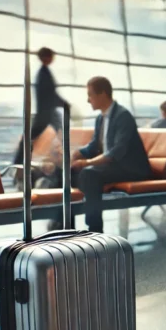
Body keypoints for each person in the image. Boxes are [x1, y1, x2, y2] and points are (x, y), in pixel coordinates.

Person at [70, 77, 151, 233]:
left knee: (89, 174)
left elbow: (117, 151)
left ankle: (94, 229)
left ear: (103, 94)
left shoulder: (123, 116)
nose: (88, 100)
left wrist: (86, 163)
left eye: (90, 95)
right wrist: (76, 154)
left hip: (131, 168)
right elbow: (94, 145)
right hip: (113, 166)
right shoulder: (101, 118)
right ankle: (67, 224)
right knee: (71, 172)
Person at [14, 47, 68, 166]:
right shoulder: (44, 74)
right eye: (50, 56)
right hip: (46, 113)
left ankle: (20, 162)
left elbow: (50, 94)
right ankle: (19, 162)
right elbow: (50, 94)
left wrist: (62, 103)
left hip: (47, 112)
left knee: (61, 134)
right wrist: (64, 104)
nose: (52, 59)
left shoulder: (43, 73)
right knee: (31, 137)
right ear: (45, 58)